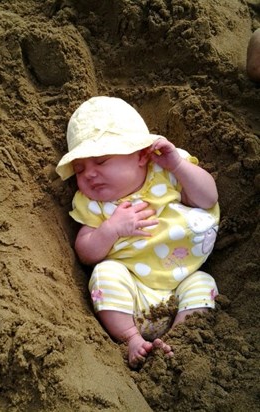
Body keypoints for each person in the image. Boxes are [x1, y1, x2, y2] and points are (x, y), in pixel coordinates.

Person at [56, 96, 220, 368]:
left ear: (142, 155)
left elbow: (208, 198)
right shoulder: (95, 205)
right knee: (105, 274)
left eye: (102, 160)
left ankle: (179, 339)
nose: (89, 175)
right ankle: (131, 338)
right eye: (80, 169)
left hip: (181, 282)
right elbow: (85, 252)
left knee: (204, 283)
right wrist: (111, 229)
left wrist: (178, 166)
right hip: (132, 292)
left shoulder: (167, 173)